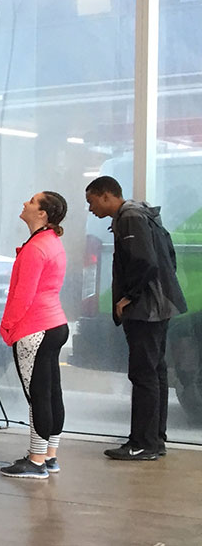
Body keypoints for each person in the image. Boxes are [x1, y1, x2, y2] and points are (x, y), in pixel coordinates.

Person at [85, 175, 187, 461]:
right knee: (155, 372)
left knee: (143, 374)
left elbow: (145, 261)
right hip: (160, 306)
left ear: (106, 196)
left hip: (146, 311)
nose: (91, 209)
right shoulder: (144, 214)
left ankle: (141, 443)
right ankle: (155, 440)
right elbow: (167, 255)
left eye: (91, 201)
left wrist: (128, 296)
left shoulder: (129, 217)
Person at [0, 191, 70, 479]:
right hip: (55, 324)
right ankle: (49, 455)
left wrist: (8, 326)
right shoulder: (52, 243)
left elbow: (22, 296)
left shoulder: (36, 248)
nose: (24, 203)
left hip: (34, 329)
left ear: (42, 214)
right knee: (52, 393)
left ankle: (36, 461)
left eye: (31, 201)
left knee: (38, 396)